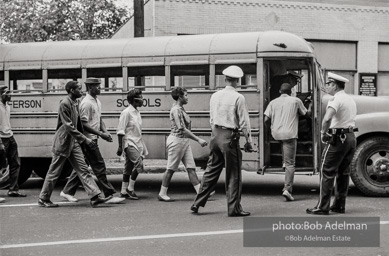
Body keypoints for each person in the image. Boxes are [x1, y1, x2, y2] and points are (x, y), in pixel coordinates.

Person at [190, 65, 255, 217]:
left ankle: (197, 202)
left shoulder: (215, 96)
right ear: (237, 81)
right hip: (230, 137)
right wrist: (249, 141)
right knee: (234, 174)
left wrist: (216, 135)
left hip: (215, 135)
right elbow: (244, 123)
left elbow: (212, 119)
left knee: (211, 171)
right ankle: (234, 208)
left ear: (225, 79)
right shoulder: (239, 97)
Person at [38, 81, 111, 208]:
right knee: (54, 172)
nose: (82, 91)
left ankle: (95, 197)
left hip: (74, 142)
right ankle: (43, 198)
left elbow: (79, 124)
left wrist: (85, 139)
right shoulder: (64, 103)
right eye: (79, 89)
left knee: (83, 169)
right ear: (72, 90)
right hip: (63, 141)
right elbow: (69, 127)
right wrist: (85, 139)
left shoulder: (76, 102)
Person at [60, 78, 125, 204]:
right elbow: (84, 125)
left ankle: (67, 191)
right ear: (90, 87)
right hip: (87, 140)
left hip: (94, 138)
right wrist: (101, 133)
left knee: (82, 167)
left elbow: (99, 119)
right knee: (99, 166)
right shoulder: (86, 103)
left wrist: (105, 132)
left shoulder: (96, 101)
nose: (100, 88)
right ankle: (109, 194)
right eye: (97, 86)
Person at [306, 72, 357, 215]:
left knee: (326, 171)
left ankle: (322, 207)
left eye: (328, 84)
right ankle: (339, 205)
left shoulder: (335, 99)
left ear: (334, 85)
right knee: (343, 173)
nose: (326, 87)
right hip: (350, 137)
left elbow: (327, 118)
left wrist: (323, 133)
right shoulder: (349, 99)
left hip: (337, 138)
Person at [158, 87, 208, 202]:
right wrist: (198, 139)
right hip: (177, 141)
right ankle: (162, 193)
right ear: (180, 97)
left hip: (183, 142)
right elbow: (182, 129)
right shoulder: (176, 110)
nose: (187, 97)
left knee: (191, 168)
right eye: (186, 95)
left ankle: (200, 193)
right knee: (170, 168)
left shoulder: (181, 108)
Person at [264, 83, 312, 201]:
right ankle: (287, 189)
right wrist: (310, 105)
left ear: (280, 91)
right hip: (290, 135)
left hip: (276, 134)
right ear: (291, 92)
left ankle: (283, 162)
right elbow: (306, 115)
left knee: (282, 142)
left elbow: (266, 119)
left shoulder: (273, 102)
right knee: (291, 163)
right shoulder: (296, 101)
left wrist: (270, 129)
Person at [116, 89, 147, 200]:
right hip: (129, 143)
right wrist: (120, 147)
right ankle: (130, 189)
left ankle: (123, 191)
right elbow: (120, 130)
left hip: (137, 142)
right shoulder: (126, 112)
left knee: (128, 167)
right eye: (141, 97)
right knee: (139, 164)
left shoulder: (137, 112)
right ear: (134, 100)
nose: (143, 100)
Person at [0, 85, 26, 198]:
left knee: (15, 163)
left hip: (10, 137)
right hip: (1, 138)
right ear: (1, 95)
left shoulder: (8, 106)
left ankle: (13, 189)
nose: (10, 95)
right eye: (7, 93)